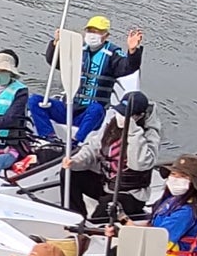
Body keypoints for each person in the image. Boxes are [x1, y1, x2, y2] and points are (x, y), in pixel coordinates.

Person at [62, 90, 160, 222]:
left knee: (99, 217)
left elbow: (139, 164)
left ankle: (95, 223)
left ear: (139, 116)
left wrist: (132, 131)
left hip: (129, 193)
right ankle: (75, 218)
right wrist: (75, 161)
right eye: (120, 112)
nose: (120, 116)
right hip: (106, 183)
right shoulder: (112, 124)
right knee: (69, 172)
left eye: (126, 115)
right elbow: (93, 147)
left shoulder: (150, 135)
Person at [46, 17, 143, 138]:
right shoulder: (77, 49)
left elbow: (128, 67)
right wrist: (55, 43)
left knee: (96, 109)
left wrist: (132, 51)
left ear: (106, 36)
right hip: (69, 106)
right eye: (90, 31)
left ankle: (78, 141)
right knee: (35, 101)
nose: (92, 35)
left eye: (97, 32)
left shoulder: (113, 54)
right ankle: (48, 136)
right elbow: (55, 61)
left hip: (91, 112)